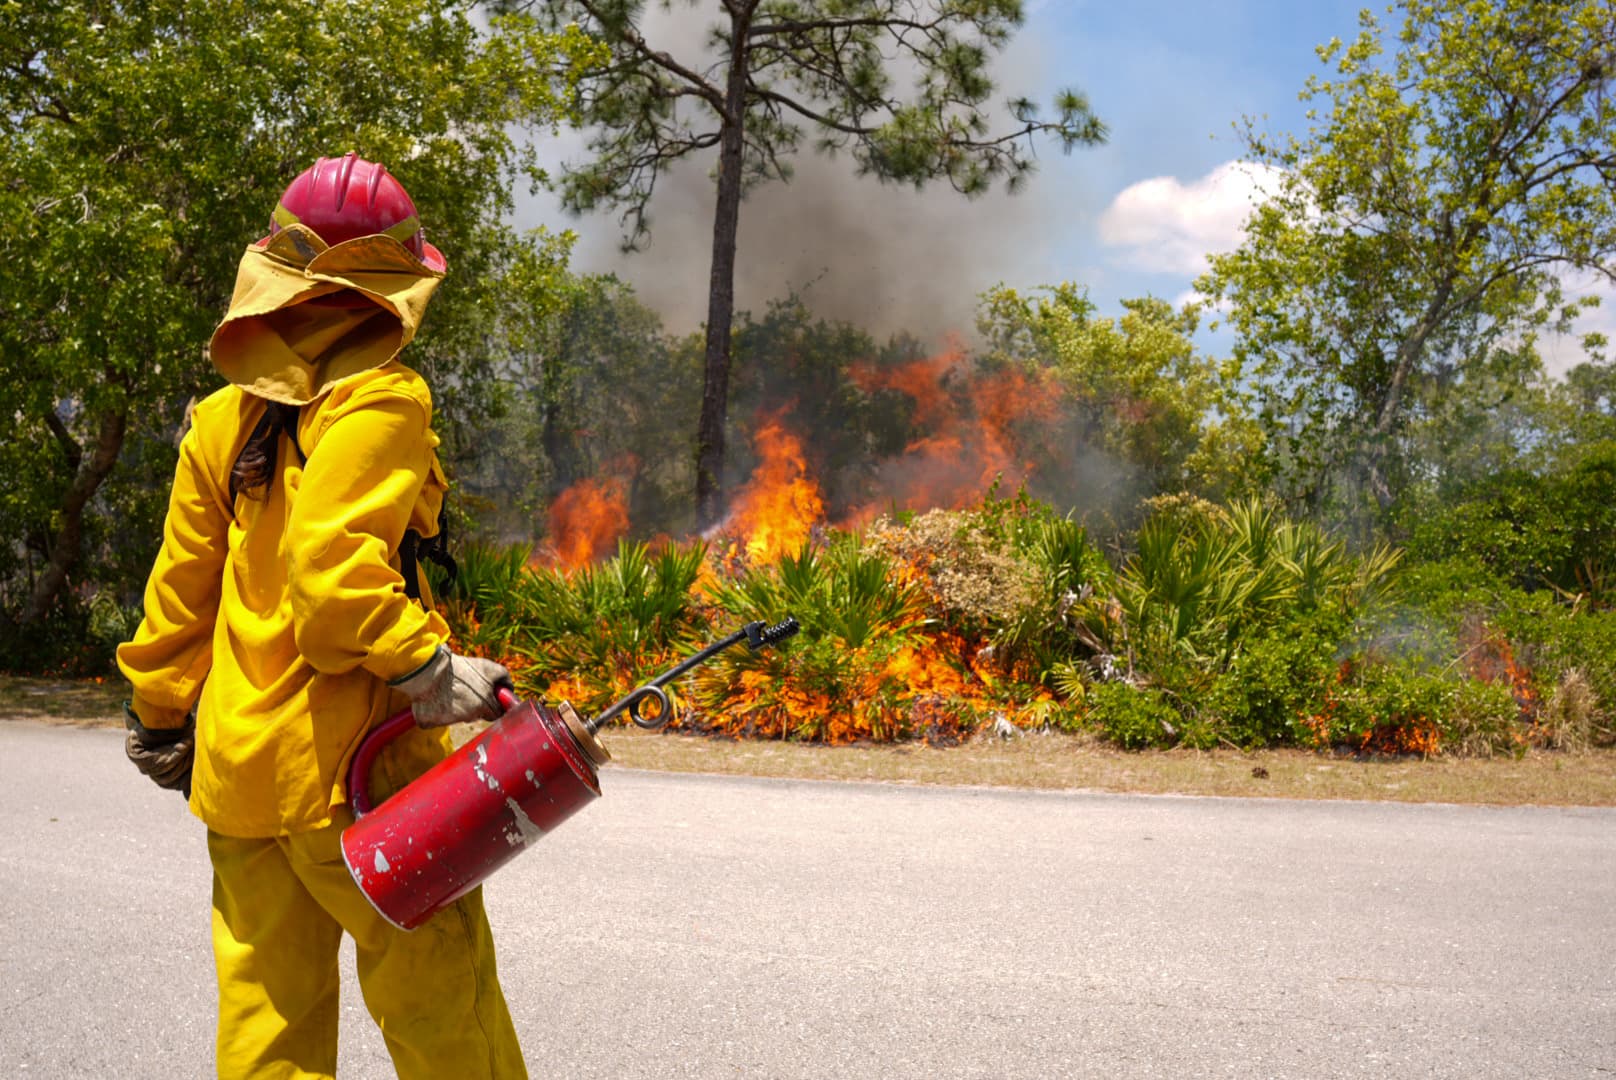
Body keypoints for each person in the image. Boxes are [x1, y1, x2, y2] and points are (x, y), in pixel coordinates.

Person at [116, 153, 529, 1079]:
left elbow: (180, 587)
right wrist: (429, 669)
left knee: (268, 1027)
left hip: (242, 780)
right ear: (391, 286)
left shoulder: (221, 417)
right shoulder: (385, 397)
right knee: (440, 1008)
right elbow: (333, 580)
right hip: (361, 784)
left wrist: (158, 714)